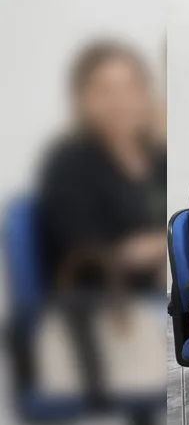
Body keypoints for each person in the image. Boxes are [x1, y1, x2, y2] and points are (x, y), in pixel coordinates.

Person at [39, 40, 167, 291]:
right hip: (102, 303)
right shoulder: (69, 163)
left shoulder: (156, 156)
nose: (121, 101)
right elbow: (87, 256)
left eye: (132, 88)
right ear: (82, 98)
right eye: (105, 90)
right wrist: (164, 245)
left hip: (157, 294)